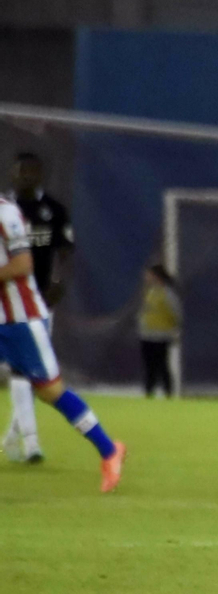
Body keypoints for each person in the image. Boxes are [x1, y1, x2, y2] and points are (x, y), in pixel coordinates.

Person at [0, 195, 125, 490]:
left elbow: (22, 265)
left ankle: (109, 451)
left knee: (50, 391)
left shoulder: (6, 214)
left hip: (22, 320)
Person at [3, 151, 74, 464]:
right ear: (12, 175)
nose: (26, 177)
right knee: (23, 372)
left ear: (40, 175)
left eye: (32, 171)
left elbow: (65, 251)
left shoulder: (54, 211)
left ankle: (16, 439)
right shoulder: (6, 210)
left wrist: (58, 282)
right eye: (21, 172)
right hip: (7, 303)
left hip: (41, 300)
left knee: (35, 375)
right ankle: (29, 442)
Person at [138, 263, 182, 398]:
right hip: (147, 336)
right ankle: (149, 393)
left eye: (149, 275)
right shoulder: (150, 292)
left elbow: (176, 313)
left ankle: (168, 394)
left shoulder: (167, 293)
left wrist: (174, 330)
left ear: (156, 276)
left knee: (162, 367)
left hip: (161, 336)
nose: (146, 277)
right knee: (149, 367)